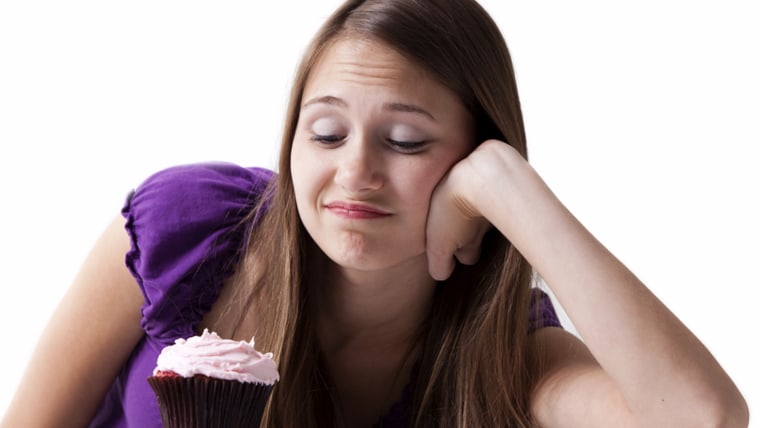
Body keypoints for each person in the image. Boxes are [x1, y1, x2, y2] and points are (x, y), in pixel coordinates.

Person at [2, 0, 748, 427]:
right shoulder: (187, 231)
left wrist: (510, 190)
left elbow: (700, 417)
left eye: (405, 141)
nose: (354, 172)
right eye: (325, 132)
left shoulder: (510, 357)